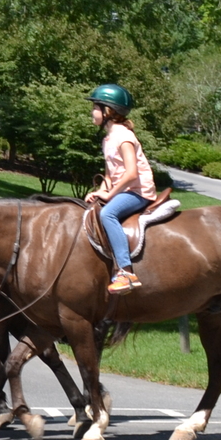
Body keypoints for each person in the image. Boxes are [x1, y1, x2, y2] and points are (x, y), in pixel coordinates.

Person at [85, 83, 155, 293]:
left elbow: (132, 173)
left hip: (138, 192)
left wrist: (110, 194)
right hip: (123, 190)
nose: (92, 112)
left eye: (95, 107)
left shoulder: (124, 137)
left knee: (108, 214)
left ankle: (126, 272)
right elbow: (109, 175)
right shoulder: (108, 139)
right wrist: (99, 192)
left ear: (109, 111)